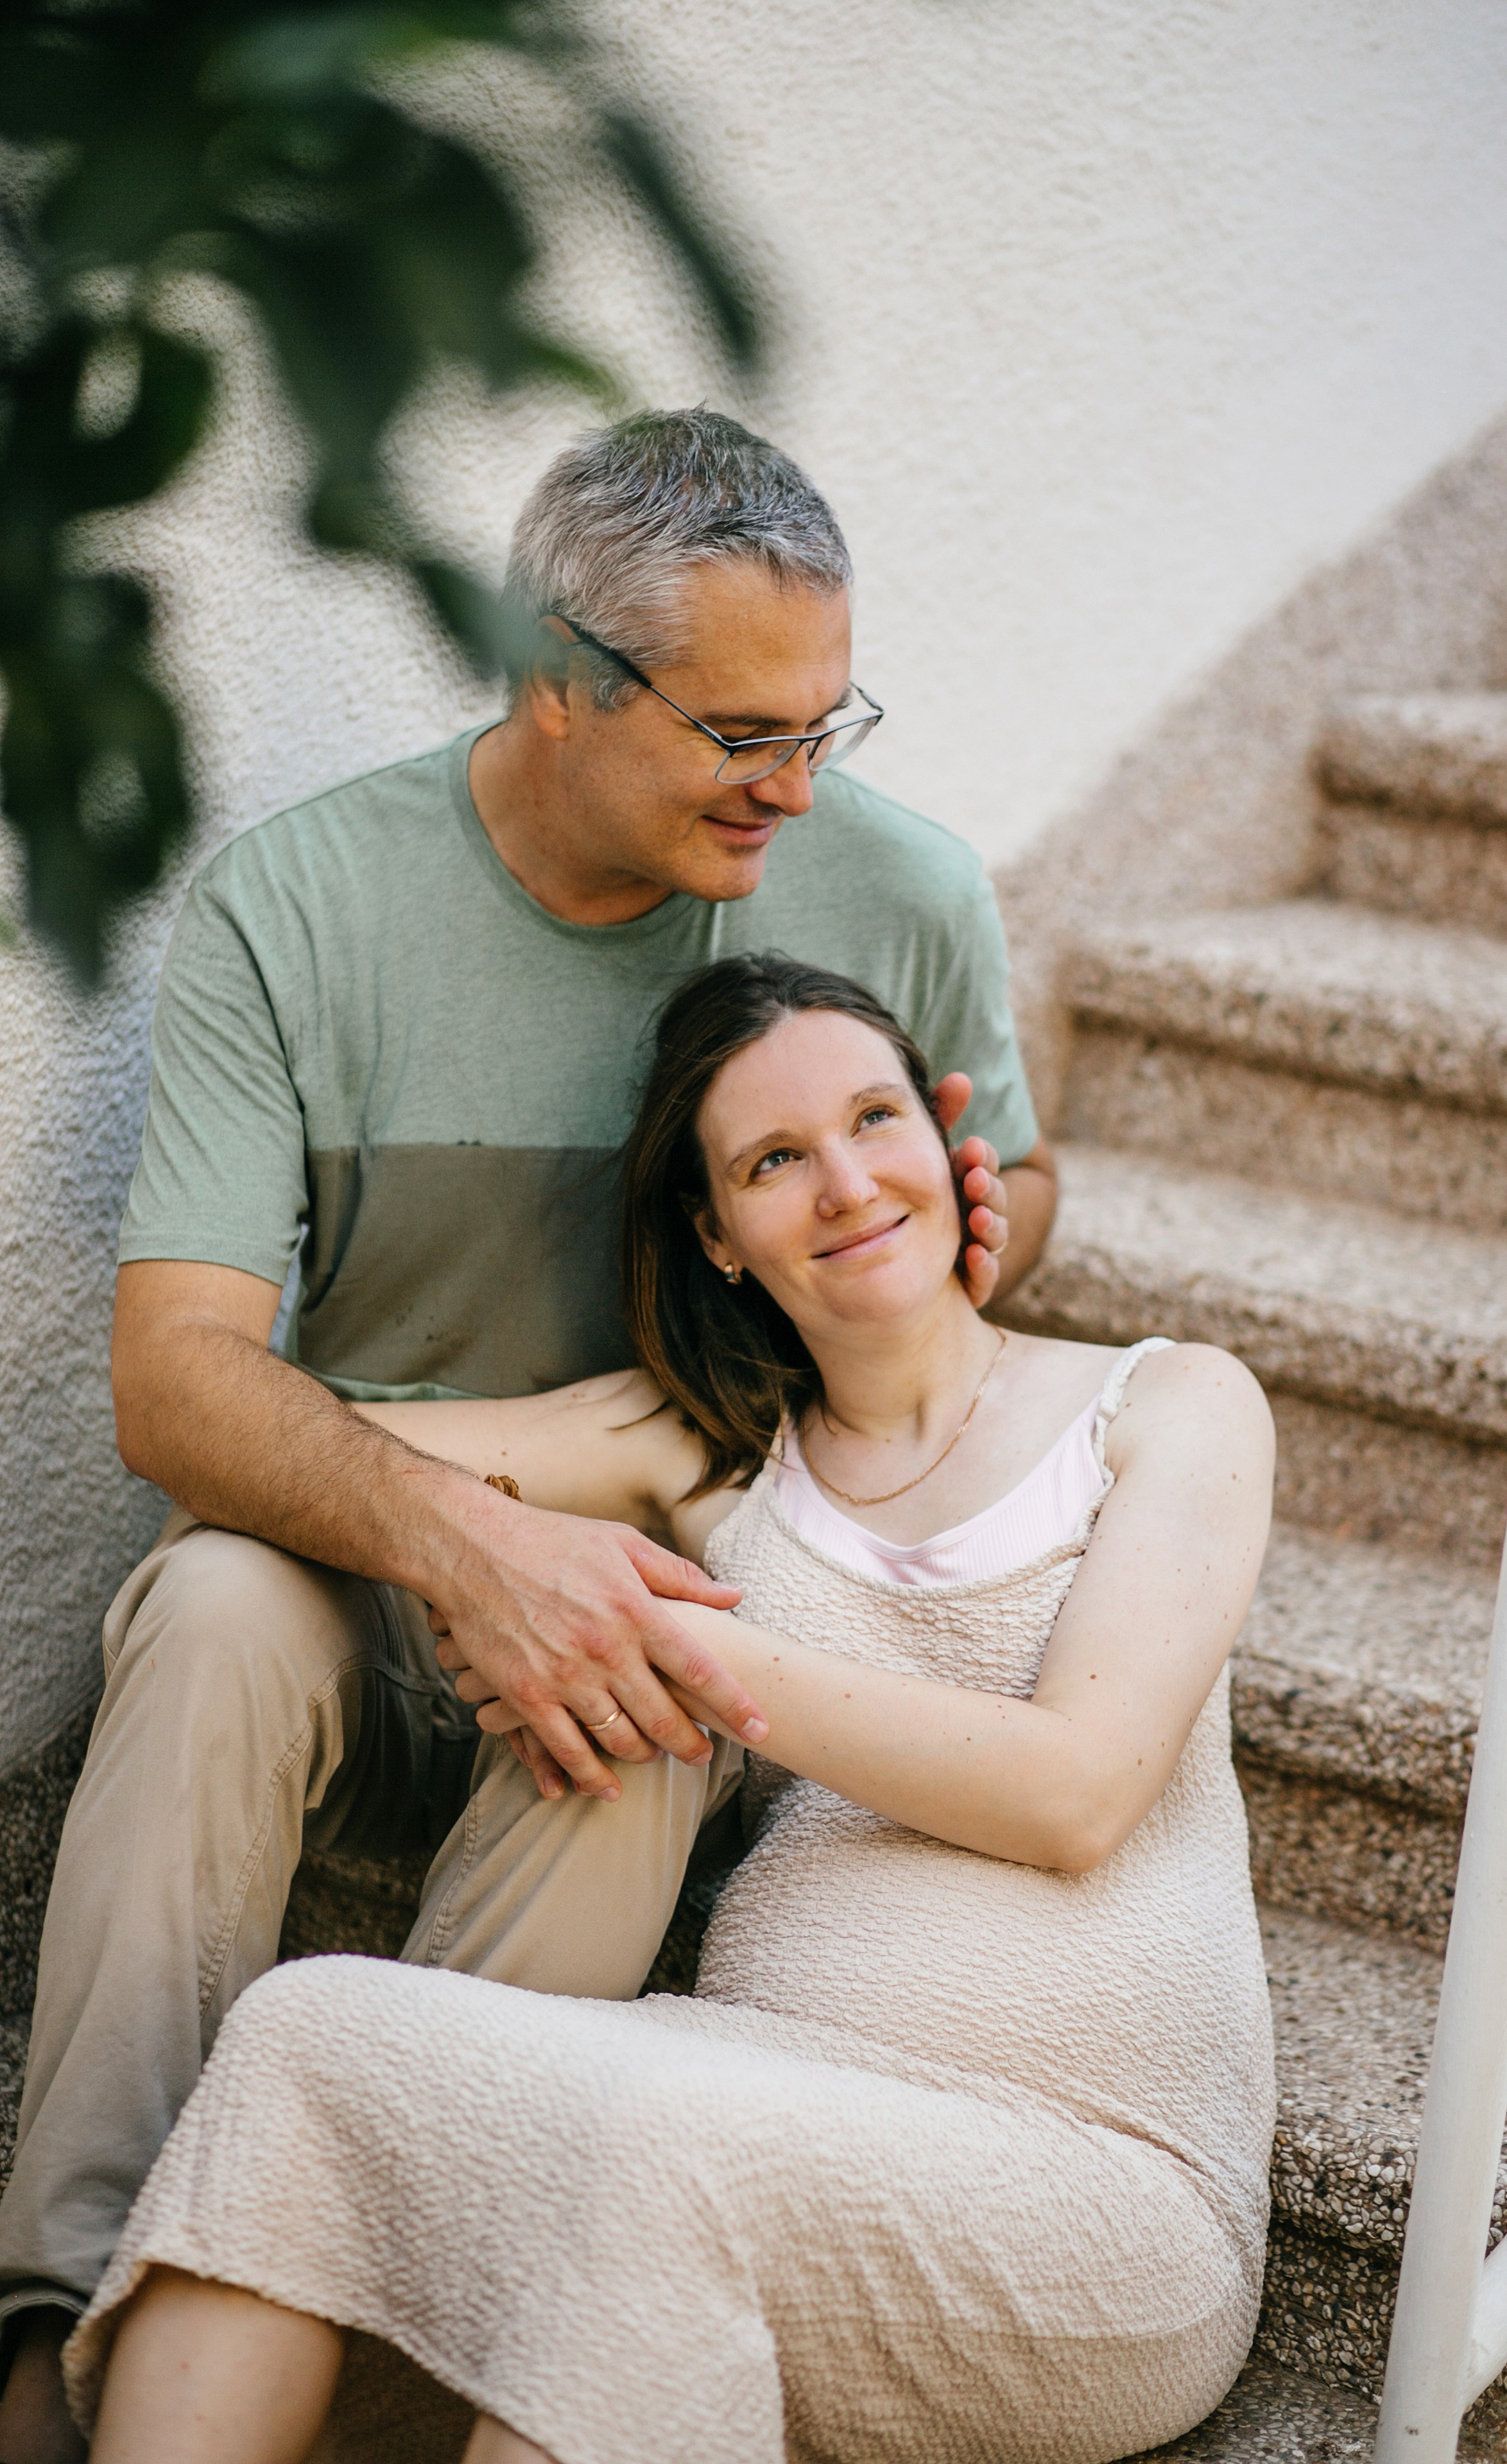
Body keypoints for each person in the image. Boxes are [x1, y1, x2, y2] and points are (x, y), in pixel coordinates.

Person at [0, 412, 1060, 2464]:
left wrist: (983, 1219)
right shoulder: (298, 907)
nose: (798, 785)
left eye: (827, 718)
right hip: (370, 1563)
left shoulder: (899, 889)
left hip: (670, 1589)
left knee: (653, 1665)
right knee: (212, 1603)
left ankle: (404, 2299)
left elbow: (1006, 1166)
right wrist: (469, 1545)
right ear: (555, 674)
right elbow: (176, 1384)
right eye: (745, 730)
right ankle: (65, 2339)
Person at [65, 954, 1275, 2464]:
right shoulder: (706, 1459)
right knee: (310, 2033)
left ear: (948, 1146)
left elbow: (1075, 1791)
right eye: (776, 1161)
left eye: (872, 1120)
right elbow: (299, 1453)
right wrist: (490, 1567)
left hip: (1098, 2191)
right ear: (714, 1234)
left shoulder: (1167, 1407)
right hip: (760, 2094)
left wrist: (644, 1633)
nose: (843, 1183)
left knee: (649, 2164)